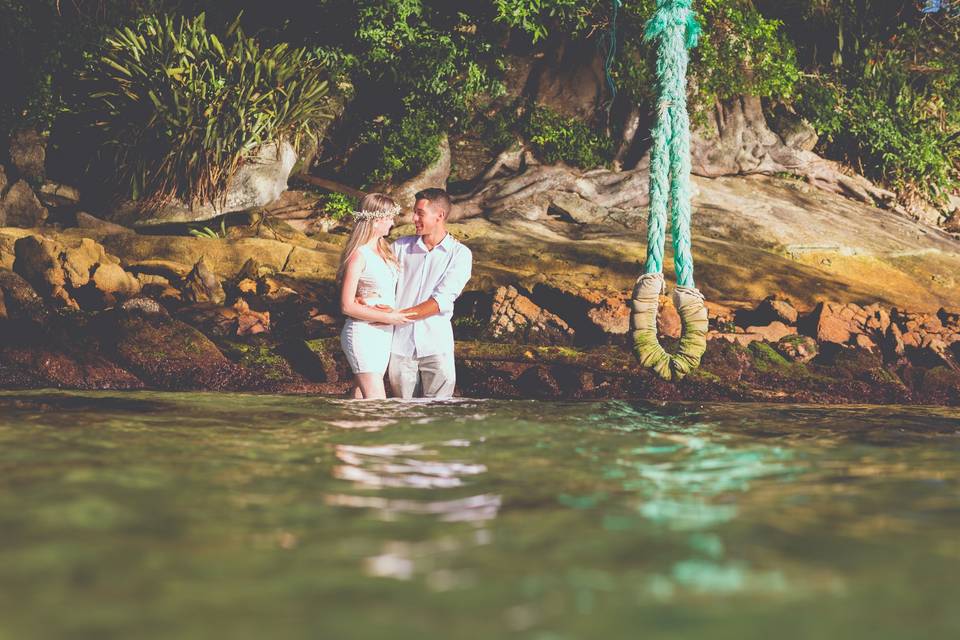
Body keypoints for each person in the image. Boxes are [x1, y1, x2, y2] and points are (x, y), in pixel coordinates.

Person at [387, 188, 473, 399]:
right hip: (400, 346)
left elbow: (441, 301)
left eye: (419, 213)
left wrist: (397, 316)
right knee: (403, 417)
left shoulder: (460, 254)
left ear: (440, 216)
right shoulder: (399, 247)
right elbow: (381, 285)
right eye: (414, 213)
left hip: (436, 345)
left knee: (438, 418)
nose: (413, 218)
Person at [338, 193, 415, 399]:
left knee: (360, 399)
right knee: (378, 403)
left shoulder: (385, 250)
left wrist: (386, 311)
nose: (392, 222)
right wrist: (389, 317)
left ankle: (339, 429)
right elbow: (346, 305)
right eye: (389, 217)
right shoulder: (358, 255)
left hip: (383, 335)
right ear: (375, 220)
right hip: (363, 333)